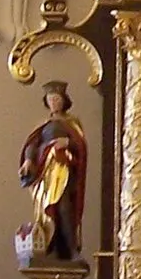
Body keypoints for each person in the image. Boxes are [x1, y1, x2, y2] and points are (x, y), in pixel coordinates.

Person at [18, 80, 89, 261]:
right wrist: (28, 160)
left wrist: (68, 143)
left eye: (57, 99)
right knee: (49, 210)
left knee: (64, 207)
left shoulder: (72, 122)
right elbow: (33, 144)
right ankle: (51, 248)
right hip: (46, 172)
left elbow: (80, 145)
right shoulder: (44, 124)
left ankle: (70, 249)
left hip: (63, 169)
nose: (54, 103)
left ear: (64, 101)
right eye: (51, 99)